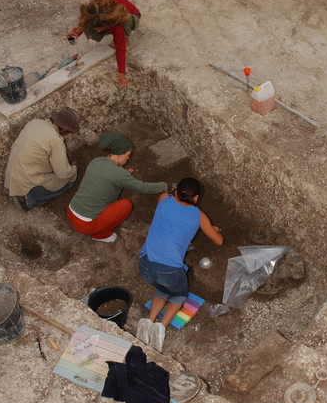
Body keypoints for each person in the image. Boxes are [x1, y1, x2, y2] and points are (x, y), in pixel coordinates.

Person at [136, 178, 224, 352]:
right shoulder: (198, 215)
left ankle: (148, 321)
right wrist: (210, 228)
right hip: (169, 271)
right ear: (197, 198)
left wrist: (203, 224)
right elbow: (219, 241)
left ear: (176, 192)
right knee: (178, 296)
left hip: (145, 264)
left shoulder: (163, 198)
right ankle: (161, 327)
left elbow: (174, 219)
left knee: (162, 289)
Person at [67, 132, 168, 242]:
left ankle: (98, 227)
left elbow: (106, 175)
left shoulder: (96, 161)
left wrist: (123, 174)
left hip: (71, 211)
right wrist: (165, 185)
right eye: (128, 155)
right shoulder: (118, 174)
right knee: (126, 205)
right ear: (119, 154)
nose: (128, 159)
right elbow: (144, 187)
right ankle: (101, 235)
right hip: (85, 224)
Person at [4, 107, 80, 211]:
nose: (68, 134)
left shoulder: (35, 122)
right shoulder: (54, 139)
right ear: (64, 129)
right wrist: (74, 169)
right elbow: (63, 174)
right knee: (67, 183)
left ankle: (16, 189)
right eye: (69, 132)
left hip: (12, 175)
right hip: (27, 179)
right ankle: (28, 199)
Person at [67, 0, 140, 88]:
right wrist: (76, 32)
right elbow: (84, 22)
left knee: (124, 28)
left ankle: (123, 35)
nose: (98, 31)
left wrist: (121, 74)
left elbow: (120, 49)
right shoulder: (91, 10)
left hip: (131, 15)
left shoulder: (117, 22)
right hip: (105, 17)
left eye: (100, 28)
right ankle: (110, 31)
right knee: (90, 31)